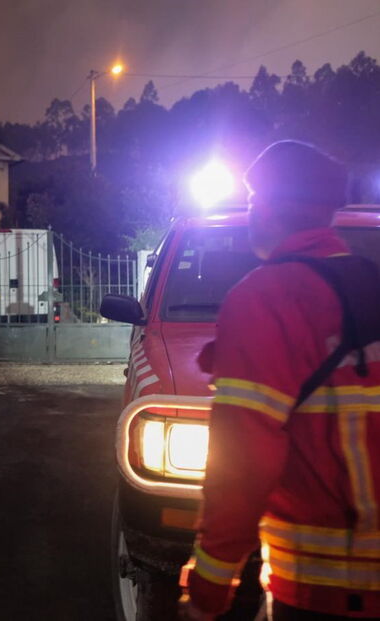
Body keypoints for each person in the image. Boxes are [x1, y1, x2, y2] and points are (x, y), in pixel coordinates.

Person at [179, 141, 380, 620]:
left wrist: (207, 591)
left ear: (263, 208)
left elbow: (243, 465)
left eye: (250, 201)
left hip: (327, 586)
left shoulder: (266, 298)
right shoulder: (370, 283)